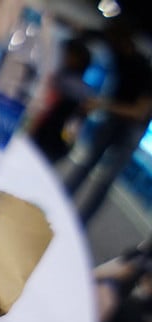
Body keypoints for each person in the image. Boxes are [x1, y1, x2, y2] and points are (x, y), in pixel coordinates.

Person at [55, 21, 152, 224]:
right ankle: (56, 204)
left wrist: (103, 104)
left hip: (132, 128)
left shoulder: (144, 70)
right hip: (113, 118)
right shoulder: (120, 54)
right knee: (87, 164)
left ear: (124, 42)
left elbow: (139, 112)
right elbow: (90, 32)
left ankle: (78, 223)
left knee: (105, 179)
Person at [30, 37, 94, 163]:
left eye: (67, 53)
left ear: (77, 60)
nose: (62, 56)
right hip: (56, 145)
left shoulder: (67, 83)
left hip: (48, 141)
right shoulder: (82, 89)